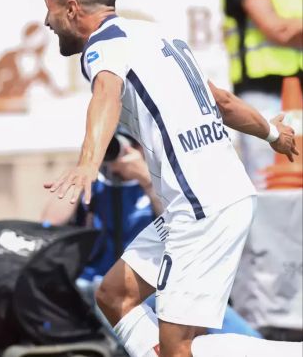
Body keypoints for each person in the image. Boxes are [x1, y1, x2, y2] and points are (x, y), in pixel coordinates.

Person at [41, 0, 298, 357]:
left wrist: (88, 163)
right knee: (114, 296)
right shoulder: (158, 36)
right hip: (205, 201)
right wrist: (270, 133)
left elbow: (105, 94)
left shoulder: (100, 50)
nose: (46, 22)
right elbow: (223, 102)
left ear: (72, 9)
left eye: (50, 10)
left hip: (202, 207)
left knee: (180, 348)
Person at [41, 132, 262, 340]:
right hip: (101, 283)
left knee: (214, 316)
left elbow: (178, 224)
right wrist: (84, 167)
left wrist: (145, 179)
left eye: (131, 143)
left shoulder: (161, 181)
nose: (120, 150)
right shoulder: (96, 183)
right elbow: (49, 222)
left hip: (152, 281)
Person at [222, 0, 303, 187]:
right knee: (266, 177)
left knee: (295, 178)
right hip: (260, 95)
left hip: (293, 94)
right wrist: (291, 28)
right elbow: (277, 29)